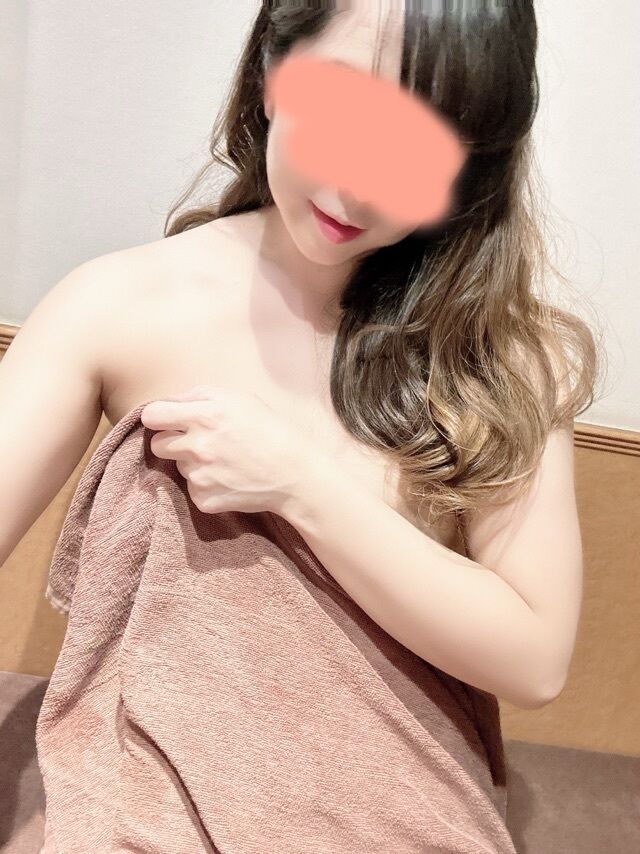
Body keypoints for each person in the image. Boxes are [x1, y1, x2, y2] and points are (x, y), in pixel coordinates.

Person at [3, 0, 603, 841]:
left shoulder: (506, 356)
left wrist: (300, 487)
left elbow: (534, 661)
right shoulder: (118, 305)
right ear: (269, 75)